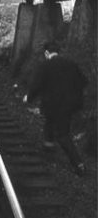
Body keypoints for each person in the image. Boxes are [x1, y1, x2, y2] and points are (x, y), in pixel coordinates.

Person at [23, 41, 88, 176]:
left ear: (46, 53)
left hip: (55, 105)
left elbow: (36, 85)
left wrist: (28, 98)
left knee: (63, 135)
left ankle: (78, 164)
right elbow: (84, 81)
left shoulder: (46, 65)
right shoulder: (71, 64)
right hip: (69, 105)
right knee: (49, 121)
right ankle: (48, 147)